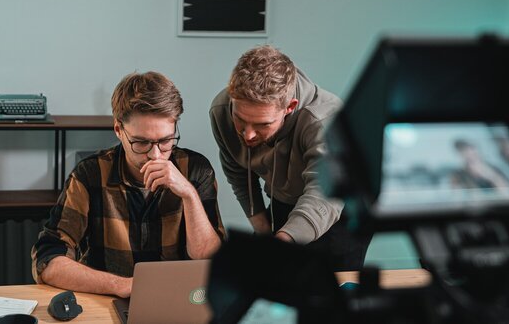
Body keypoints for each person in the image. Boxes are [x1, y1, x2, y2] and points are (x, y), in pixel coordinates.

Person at [32, 72, 225, 297]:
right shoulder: (89, 174)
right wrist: (122, 286)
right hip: (107, 300)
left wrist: (189, 195)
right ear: (118, 130)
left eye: (165, 141)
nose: (155, 155)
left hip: (178, 300)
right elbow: (48, 261)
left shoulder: (197, 170)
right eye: (141, 142)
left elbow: (211, 260)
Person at [209, 45, 368, 270]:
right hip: (283, 203)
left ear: (289, 107)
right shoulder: (221, 110)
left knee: (330, 289)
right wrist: (265, 234)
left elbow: (323, 195)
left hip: (336, 210)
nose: (248, 134)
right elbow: (238, 174)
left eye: (263, 124)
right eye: (240, 119)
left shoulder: (323, 120)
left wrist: (281, 244)